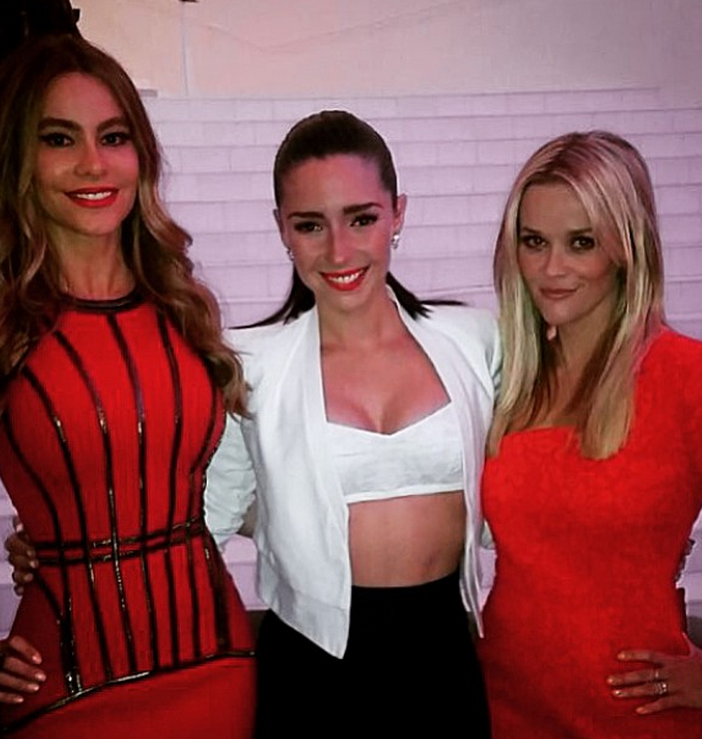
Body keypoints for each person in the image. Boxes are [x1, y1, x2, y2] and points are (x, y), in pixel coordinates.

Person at [0, 34, 255, 738]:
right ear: (17, 159)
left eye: (114, 137)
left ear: (141, 153)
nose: (93, 163)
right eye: (59, 139)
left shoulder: (182, 303)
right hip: (67, 689)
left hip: (218, 668)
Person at [205, 110, 499, 736]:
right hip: (311, 670)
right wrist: (62, 552)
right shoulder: (250, 365)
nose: (338, 251)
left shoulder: (477, 341)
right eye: (310, 225)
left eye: (361, 218)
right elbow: (203, 516)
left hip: (444, 659)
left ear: (398, 214)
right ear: (282, 229)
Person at [477, 130, 702, 738]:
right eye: (534, 242)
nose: (552, 269)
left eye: (582, 243)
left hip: (639, 720)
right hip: (509, 707)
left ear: (627, 247)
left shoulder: (687, 377)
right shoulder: (506, 381)